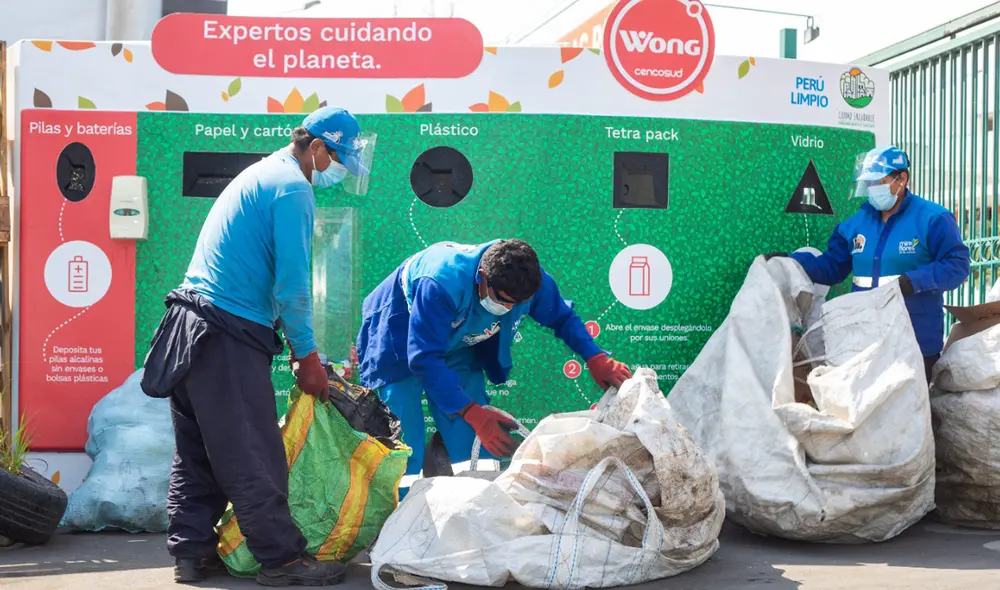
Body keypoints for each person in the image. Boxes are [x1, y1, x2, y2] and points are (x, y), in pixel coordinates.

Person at [140, 107, 371, 587]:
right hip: (224, 333)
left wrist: (292, 344)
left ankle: (190, 554)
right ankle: (282, 559)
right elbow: (292, 286)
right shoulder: (292, 188)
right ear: (317, 148)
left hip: (190, 327)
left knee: (199, 451)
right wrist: (308, 357)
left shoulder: (261, 173)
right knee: (251, 450)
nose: (337, 171)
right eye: (337, 160)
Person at [356, 239, 632, 485]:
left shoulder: (528, 281)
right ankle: (396, 527)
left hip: (456, 340)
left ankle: (481, 510)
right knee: (404, 445)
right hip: (395, 338)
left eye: (518, 304)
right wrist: (472, 412)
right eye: (504, 301)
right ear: (482, 278)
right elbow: (424, 357)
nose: (510, 310)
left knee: (476, 440)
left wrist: (596, 357)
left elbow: (560, 317)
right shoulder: (441, 282)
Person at [766, 145, 970, 383]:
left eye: (878, 182)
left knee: (911, 415)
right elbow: (832, 266)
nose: (873, 190)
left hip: (914, 340)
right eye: (869, 184)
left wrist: (914, 282)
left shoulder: (933, 219)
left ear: (901, 179)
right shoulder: (855, 224)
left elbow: (958, 266)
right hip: (865, 341)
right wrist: (792, 260)